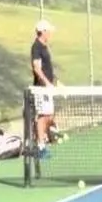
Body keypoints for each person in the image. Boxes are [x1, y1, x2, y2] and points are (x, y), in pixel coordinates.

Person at [30, 19, 60, 156]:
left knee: (50, 115)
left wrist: (56, 81)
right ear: (42, 32)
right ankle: (41, 146)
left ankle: (43, 137)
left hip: (48, 87)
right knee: (43, 116)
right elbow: (37, 68)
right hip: (41, 88)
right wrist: (46, 83)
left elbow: (48, 67)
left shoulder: (44, 47)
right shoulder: (36, 47)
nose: (50, 34)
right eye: (48, 31)